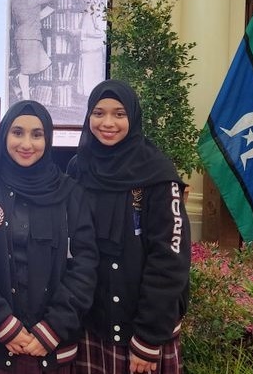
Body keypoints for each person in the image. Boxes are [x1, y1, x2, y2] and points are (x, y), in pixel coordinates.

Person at [0, 100, 98, 374]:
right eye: (17, 132)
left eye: (37, 134)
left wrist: (52, 329)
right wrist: (4, 324)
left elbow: (84, 266)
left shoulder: (70, 192)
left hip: (52, 349)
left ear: (47, 138)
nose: (27, 143)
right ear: (4, 135)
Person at [69, 80, 190, 374]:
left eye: (119, 114)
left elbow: (169, 260)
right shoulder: (78, 167)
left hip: (143, 329)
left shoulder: (159, 174)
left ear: (133, 118)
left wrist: (148, 337)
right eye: (98, 113)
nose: (107, 123)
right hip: (93, 323)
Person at [10, 0, 83, 101]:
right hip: (31, 37)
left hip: (20, 36)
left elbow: (27, 17)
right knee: (28, 70)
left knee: (37, 65)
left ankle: (21, 87)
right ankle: (20, 89)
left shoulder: (15, 0)